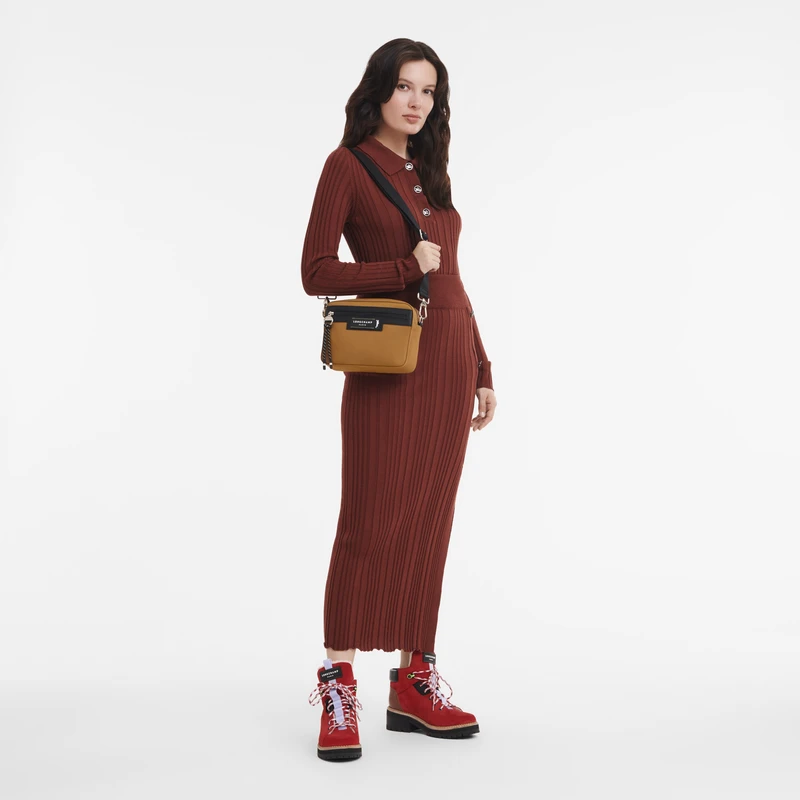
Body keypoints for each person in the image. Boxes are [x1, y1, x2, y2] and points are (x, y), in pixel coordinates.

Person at [300, 38, 497, 761]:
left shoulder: (430, 170)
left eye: (429, 91)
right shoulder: (347, 166)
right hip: (389, 365)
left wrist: (481, 364)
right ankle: (338, 683)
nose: (417, 102)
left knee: (428, 522)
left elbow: (452, 279)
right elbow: (316, 271)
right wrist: (398, 267)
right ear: (378, 90)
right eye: (405, 87)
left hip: (448, 361)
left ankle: (415, 680)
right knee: (369, 521)